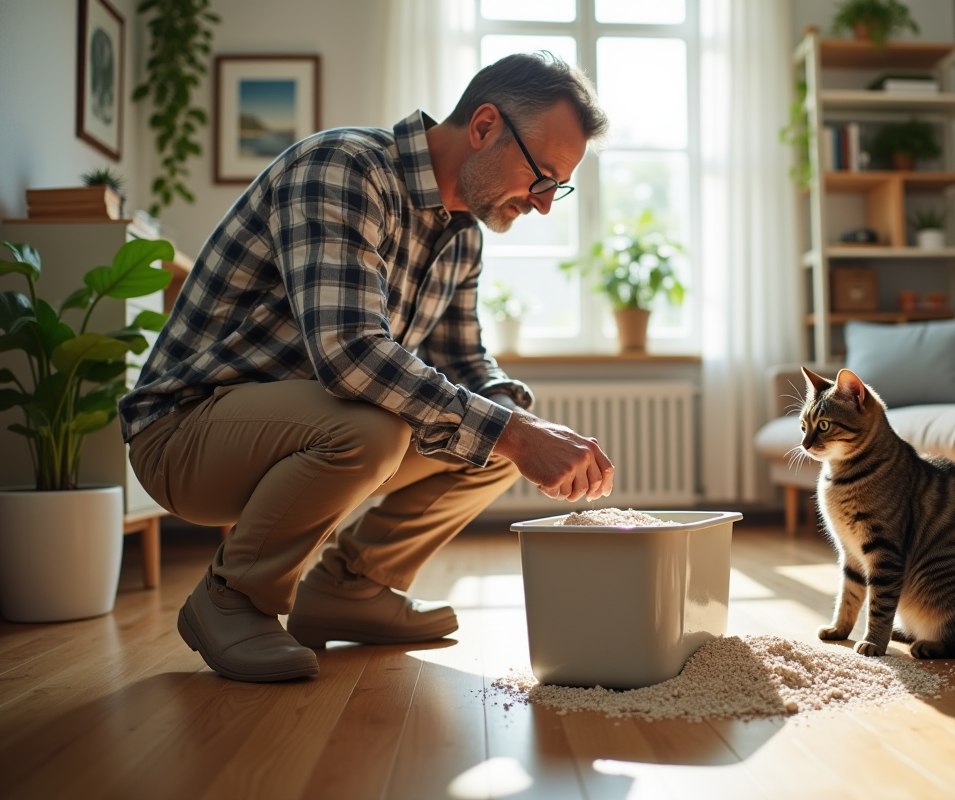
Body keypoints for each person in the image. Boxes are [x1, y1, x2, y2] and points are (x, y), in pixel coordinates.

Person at [120, 53, 615, 683]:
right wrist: (512, 431)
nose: (545, 204)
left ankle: (351, 589)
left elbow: (463, 360)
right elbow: (350, 355)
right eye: (541, 175)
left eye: (558, 186)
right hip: (186, 431)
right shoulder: (345, 167)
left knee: (500, 434)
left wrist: (514, 418)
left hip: (300, 428)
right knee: (390, 429)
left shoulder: (463, 235)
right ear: (485, 125)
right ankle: (232, 597)